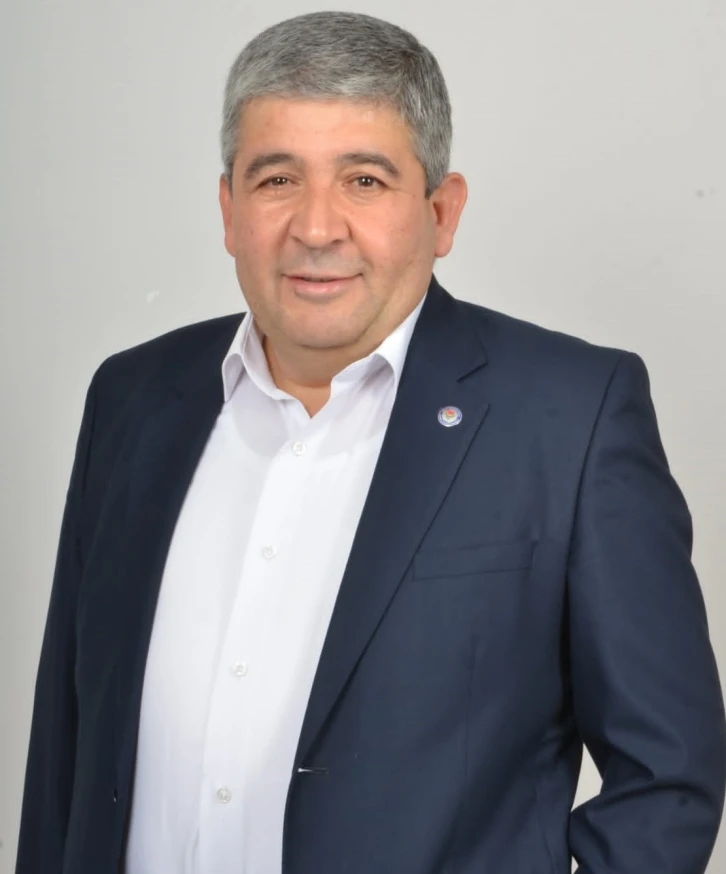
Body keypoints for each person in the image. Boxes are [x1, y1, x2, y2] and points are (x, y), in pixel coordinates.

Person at [15, 10, 726, 874]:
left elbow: (668, 777)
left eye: (364, 180)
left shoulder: (569, 418)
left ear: (441, 211)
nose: (316, 228)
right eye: (278, 179)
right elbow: (63, 755)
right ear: (229, 209)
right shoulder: (131, 400)